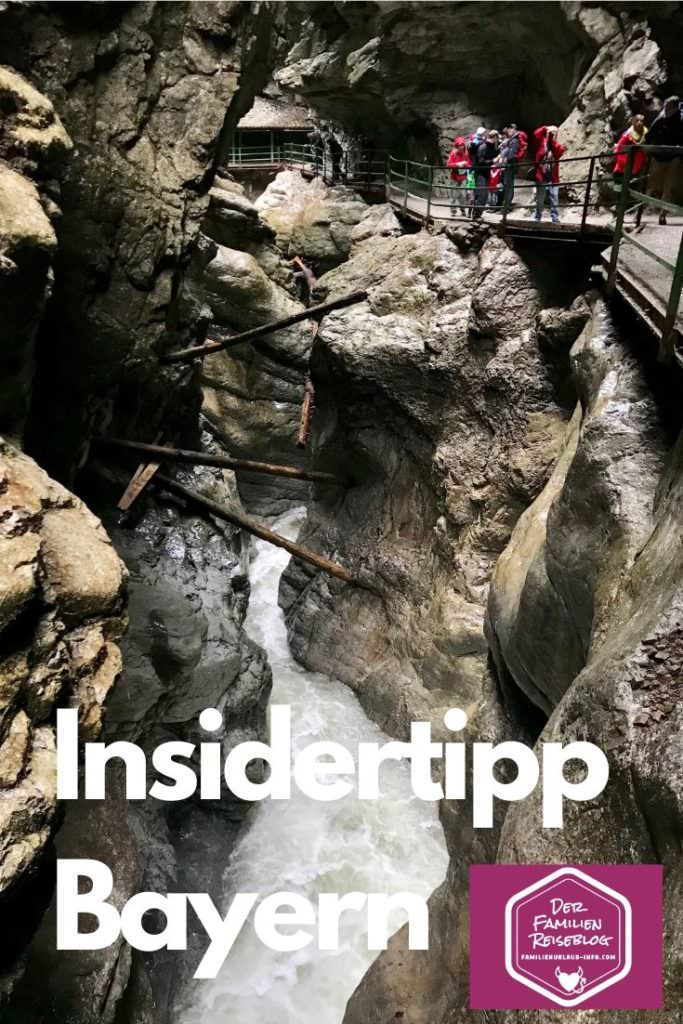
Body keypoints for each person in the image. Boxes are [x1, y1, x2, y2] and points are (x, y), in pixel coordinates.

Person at [644, 96, 683, 225]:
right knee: (655, 184)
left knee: (669, 186)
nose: (666, 109)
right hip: (658, 156)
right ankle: (646, 204)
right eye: (665, 106)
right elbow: (649, 135)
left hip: (674, 158)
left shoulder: (681, 119)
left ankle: (662, 213)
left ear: (675, 107)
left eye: (668, 107)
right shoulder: (661, 119)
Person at [533, 124, 565, 223]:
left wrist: (552, 140)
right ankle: (537, 217)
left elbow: (559, 152)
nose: (553, 134)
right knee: (540, 198)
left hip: (553, 176)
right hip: (542, 175)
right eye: (552, 132)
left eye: (555, 133)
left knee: (554, 197)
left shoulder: (557, 145)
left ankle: (555, 218)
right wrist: (546, 128)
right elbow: (536, 134)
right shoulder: (541, 143)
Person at [469, 128, 499, 219]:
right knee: (481, 194)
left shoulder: (491, 147)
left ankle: (477, 214)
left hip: (485, 172)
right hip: (480, 173)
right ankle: (475, 215)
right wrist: (492, 161)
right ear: (494, 138)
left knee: (484, 195)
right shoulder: (484, 147)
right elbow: (481, 161)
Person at [613, 113, 648, 184]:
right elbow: (618, 149)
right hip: (623, 169)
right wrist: (624, 162)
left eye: (641, 121)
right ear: (633, 122)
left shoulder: (646, 134)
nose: (639, 123)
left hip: (637, 170)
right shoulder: (627, 135)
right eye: (637, 120)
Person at [446, 136, 470, 216]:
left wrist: (465, 164)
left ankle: (463, 210)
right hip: (454, 176)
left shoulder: (465, 153)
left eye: (462, 145)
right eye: (460, 145)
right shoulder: (453, 153)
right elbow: (449, 165)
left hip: (463, 176)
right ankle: (453, 211)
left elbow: (469, 164)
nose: (461, 147)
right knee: (453, 194)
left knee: (463, 195)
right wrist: (457, 164)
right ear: (457, 146)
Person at [499, 124, 521, 207]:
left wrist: (505, 159)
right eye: (508, 130)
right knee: (506, 184)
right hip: (508, 165)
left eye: (510, 129)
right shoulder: (510, 140)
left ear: (514, 129)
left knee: (508, 185)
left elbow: (512, 154)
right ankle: (505, 205)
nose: (509, 131)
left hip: (510, 165)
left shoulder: (515, 141)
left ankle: (506, 206)